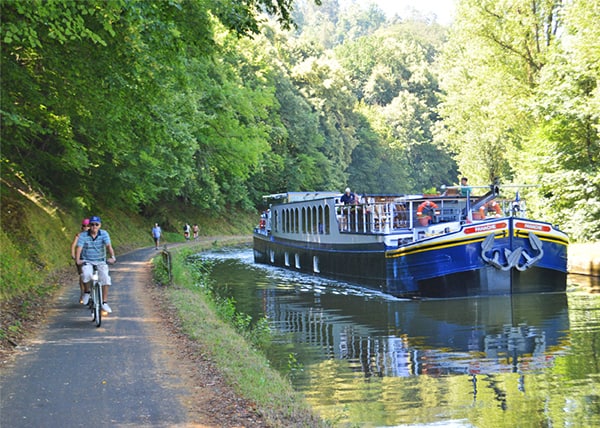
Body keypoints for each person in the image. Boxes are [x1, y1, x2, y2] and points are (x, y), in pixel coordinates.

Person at [76, 215, 116, 313]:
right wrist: (78, 260)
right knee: (85, 275)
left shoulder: (104, 234)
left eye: (96, 224)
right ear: (89, 225)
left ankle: (104, 302)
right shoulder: (83, 235)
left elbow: (108, 246)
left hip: (101, 260)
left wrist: (112, 257)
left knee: (105, 278)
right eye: (92, 224)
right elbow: (79, 248)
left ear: (100, 225)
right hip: (87, 260)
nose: (94, 226)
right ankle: (86, 292)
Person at [71, 218, 90, 303]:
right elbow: (73, 245)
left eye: (88, 226)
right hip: (81, 258)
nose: (86, 227)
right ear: (82, 227)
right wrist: (73, 255)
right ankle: (83, 292)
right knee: (82, 275)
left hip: (91, 258)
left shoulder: (93, 235)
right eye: (84, 226)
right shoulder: (79, 235)